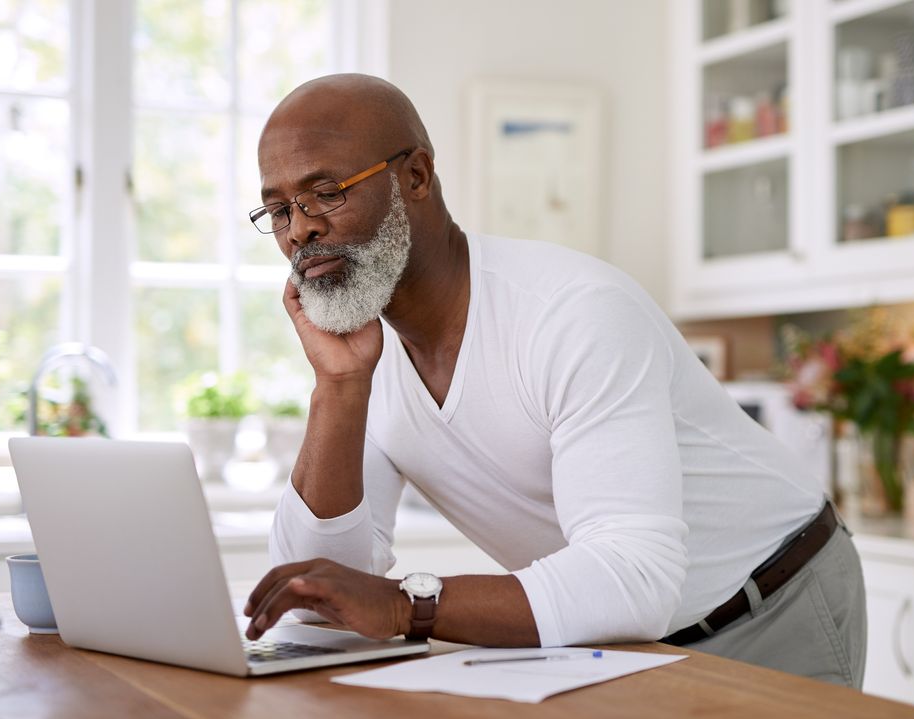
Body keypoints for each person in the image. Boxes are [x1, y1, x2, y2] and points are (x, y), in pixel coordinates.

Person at [242, 74, 867, 687]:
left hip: (771, 600)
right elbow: (314, 593)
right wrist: (339, 387)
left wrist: (407, 607)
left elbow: (634, 576)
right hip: (616, 637)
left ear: (416, 177)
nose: (299, 229)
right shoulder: (364, 356)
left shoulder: (570, 312)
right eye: (277, 210)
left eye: (326, 192)